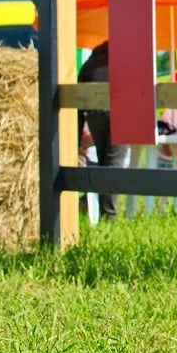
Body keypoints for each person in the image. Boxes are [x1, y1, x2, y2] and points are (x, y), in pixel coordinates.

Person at [77, 41, 124, 220]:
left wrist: (76, 137)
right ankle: (109, 214)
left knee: (104, 158)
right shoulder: (124, 60)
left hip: (94, 113)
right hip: (120, 112)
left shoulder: (89, 65)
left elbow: (77, 101)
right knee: (114, 162)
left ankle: (101, 211)